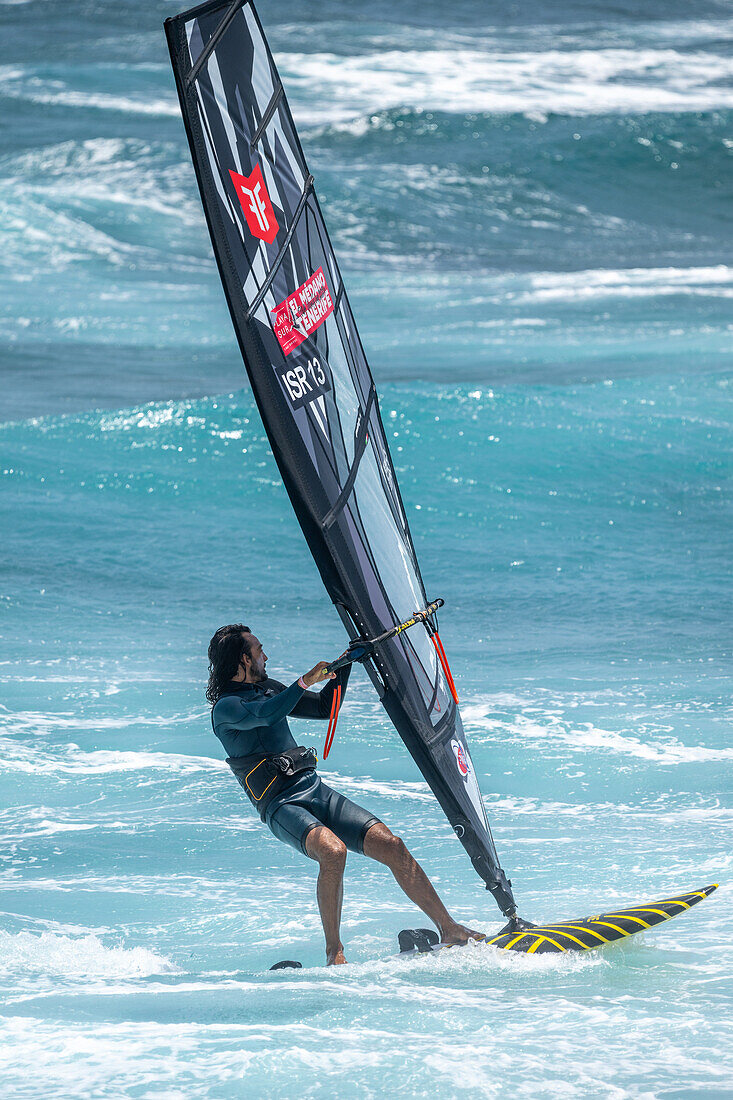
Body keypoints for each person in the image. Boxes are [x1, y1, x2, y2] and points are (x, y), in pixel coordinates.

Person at [207, 623, 484, 964]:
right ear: (243, 660)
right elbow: (267, 715)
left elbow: (325, 708)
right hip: (281, 805)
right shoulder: (227, 708)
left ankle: (449, 928)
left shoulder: (267, 690)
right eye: (259, 650)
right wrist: (304, 680)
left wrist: (344, 666)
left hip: (313, 790)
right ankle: (334, 952)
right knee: (333, 852)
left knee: (392, 845)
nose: (266, 655)